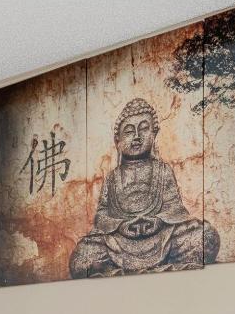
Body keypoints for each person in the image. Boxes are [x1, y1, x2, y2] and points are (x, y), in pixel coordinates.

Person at [69, 98, 218, 277]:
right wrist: (121, 226)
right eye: (129, 131)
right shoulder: (112, 177)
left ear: (154, 134)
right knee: (83, 257)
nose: (137, 136)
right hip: (119, 242)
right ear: (117, 140)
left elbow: (175, 209)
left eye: (144, 128)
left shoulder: (163, 170)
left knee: (204, 236)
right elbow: (101, 216)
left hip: (162, 237)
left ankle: (124, 272)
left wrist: (158, 222)